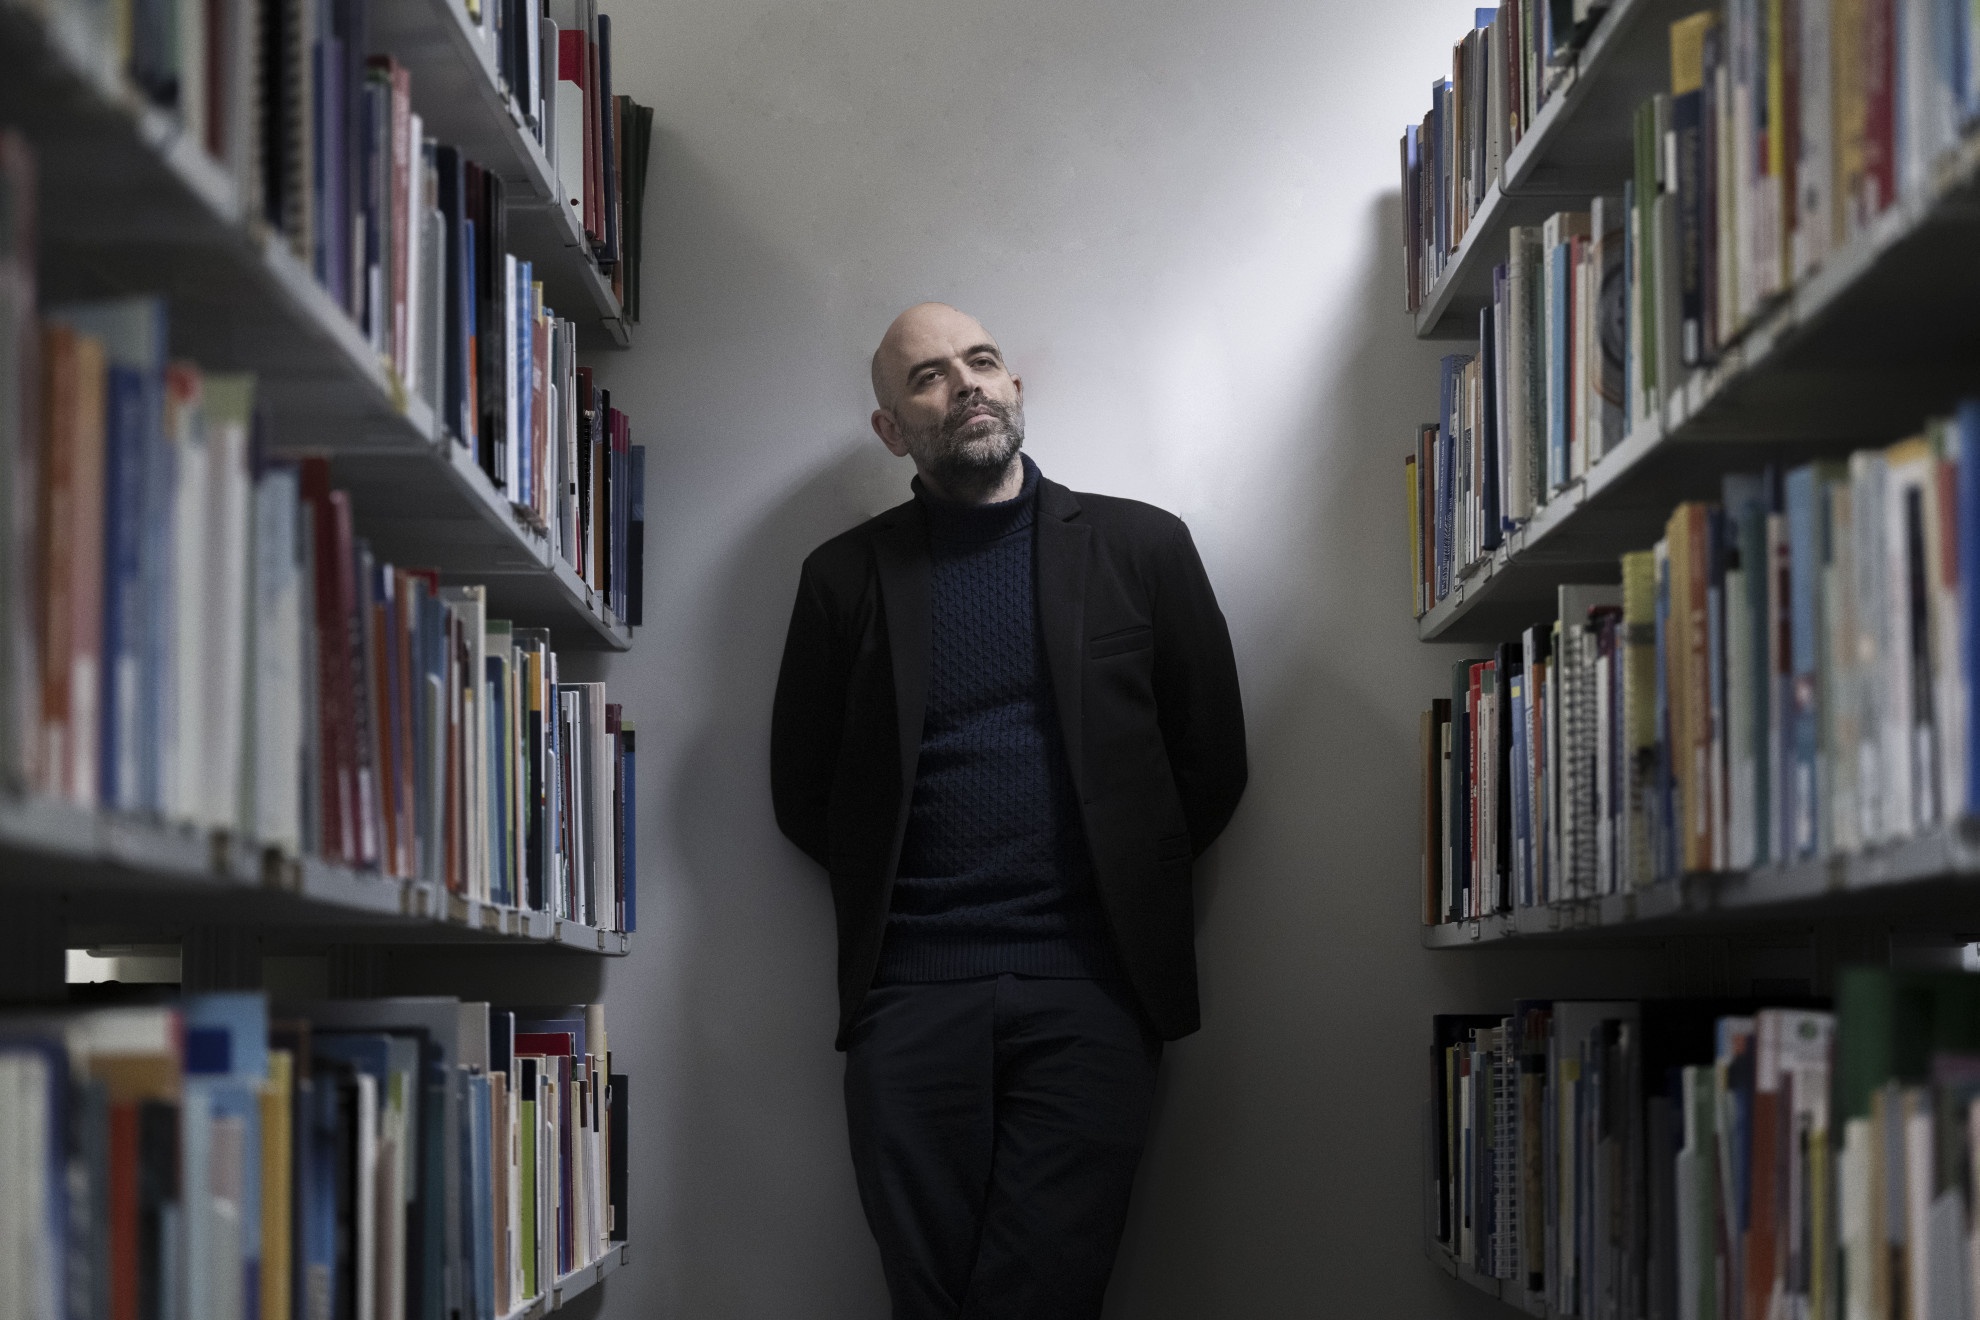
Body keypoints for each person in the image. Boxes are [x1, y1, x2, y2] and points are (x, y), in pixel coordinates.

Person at [769, 302, 1247, 1319]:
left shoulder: (1143, 546)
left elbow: (1211, 760)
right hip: (909, 997)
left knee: (1046, 1296)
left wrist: (1126, 880)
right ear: (891, 429)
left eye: (981, 361)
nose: (966, 384)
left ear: (1015, 387)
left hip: (1095, 991)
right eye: (929, 376)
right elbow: (804, 793)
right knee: (929, 1296)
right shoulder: (842, 578)